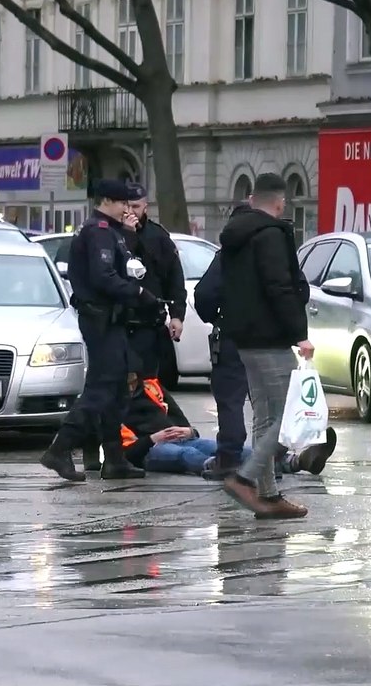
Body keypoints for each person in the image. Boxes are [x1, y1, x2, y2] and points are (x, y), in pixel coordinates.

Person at [39, 179, 161, 482]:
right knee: (101, 387)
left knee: (118, 388)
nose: (126, 210)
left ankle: (115, 458)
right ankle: (60, 447)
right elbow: (105, 276)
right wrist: (139, 294)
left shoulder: (113, 232)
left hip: (111, 320)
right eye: (123, 204)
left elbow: (126, 264)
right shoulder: (99, 232)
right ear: (108, 201)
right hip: (101, 319)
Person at [213, 173, 313, 519]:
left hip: (243, 337)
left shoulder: (235, 235)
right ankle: (246, 478)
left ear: (252, 198)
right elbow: (279, 287)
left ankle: (269, 496)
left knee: (265, 415)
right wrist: (299, 333)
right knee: (292, 414)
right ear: (280, 203)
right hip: (271, 337)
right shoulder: (271, 235)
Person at [121, 374, 335, 476]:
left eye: (133, 381)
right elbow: (126, 453)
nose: (131, 387)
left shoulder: (151, 387)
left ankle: (296, 462)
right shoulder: (114, 404)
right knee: (184, 455)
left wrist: (188, 431)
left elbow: (179, 418)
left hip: (182, 437)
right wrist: (152, 439)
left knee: (229, 449)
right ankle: (220, 468)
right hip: (150, 449)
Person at [191, 245, 249, 477]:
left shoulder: (230, 254)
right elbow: (299, 291)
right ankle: (272, 461)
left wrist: (217, 318)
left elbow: (204, 294)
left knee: (230, 401)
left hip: (233, 333)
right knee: (270, 404)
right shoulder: (278, 247)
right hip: (272, 338)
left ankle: (229, 460)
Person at [119, 182, 187, 383]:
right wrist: (126, 234)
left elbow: (174, 277)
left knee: (148, 382)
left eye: (136, 207)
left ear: (145, 207)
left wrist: (177, 315)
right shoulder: (112, 234)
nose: (130, 212)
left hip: (148, 322)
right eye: (127, 206)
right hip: (119, 322)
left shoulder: (157, 236)